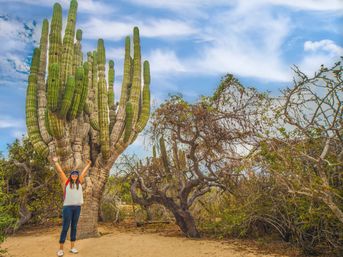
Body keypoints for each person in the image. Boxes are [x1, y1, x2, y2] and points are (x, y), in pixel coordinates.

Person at [52, 157, 91, 257]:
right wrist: (56, 162)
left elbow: (84, 173)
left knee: (74, 227)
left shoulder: (79, 182)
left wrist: (88, 164)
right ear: (70, 176)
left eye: (76, 174)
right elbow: (60, 172)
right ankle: (60, 249)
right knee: (65, 227)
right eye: (73, 174)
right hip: (68, 208)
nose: (74, 175)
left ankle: (72, 247)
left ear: (77, 176)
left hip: (77, 208)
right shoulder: (67, 182)